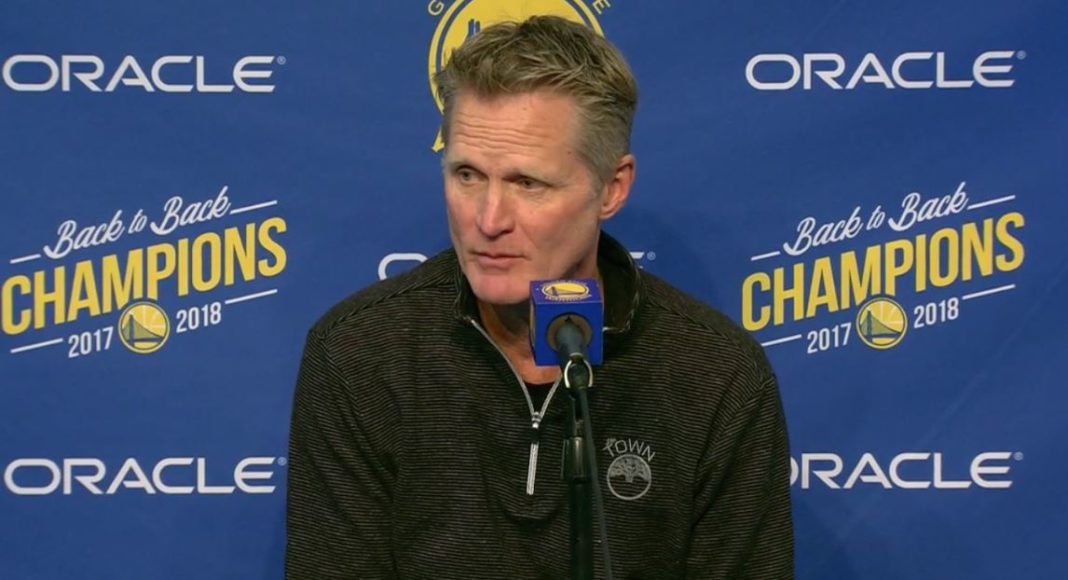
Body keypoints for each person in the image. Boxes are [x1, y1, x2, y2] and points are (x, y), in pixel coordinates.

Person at [286, 15, 793, 579]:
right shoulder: (359, 355)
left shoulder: (717, 377)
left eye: (528, 183)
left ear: (612, 188)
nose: (489, 220)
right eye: (467, 175)